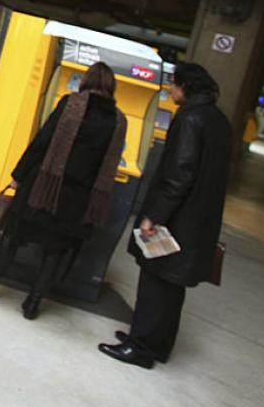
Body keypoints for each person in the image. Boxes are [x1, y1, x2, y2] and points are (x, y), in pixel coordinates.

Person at [0, 61, 127, 319]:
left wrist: (18, 175)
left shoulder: (71, 105)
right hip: (78, 200)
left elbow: (42, 141)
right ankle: (33, 303)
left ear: (87, 81)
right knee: (55, 250)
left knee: (13, 236)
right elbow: (109, 163)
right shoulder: (118, 121)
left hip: (42, 188)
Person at [99, 63, 231, 369]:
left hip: (176, 220)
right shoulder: (219, 121)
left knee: (154, 283)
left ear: (186, 87)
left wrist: (153, 217)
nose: (170, 90)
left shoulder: (190, 119)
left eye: (173, 84)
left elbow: (179, 175)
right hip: (198, 223)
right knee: (173, 289)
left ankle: (140, 347)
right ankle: (158, 345)